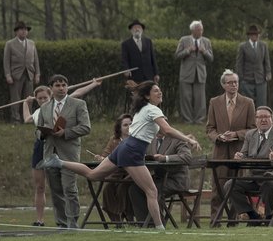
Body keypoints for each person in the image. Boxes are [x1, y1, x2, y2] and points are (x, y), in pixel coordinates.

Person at [38, 81, 202, 231]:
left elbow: (157, 132)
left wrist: (181, 137)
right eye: (156, 91)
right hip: (132, 151)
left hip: (125, 147)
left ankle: (59, 162)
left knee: (93, 174)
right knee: (152, 191)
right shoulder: (152, 109)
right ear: (147, 96)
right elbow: (166, 130)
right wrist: (187, 139)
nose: (160, 93)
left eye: (160, 91)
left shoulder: (142, 110)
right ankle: (160, 229)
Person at [21, 78, 101, 226]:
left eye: (64, 85)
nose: (61, 88)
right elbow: (38, 131)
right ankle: (61, 223)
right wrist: (44, 133)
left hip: (69, 153)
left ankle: (72, 223)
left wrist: (66, 132)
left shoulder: (78, 104)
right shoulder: (44, 108)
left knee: (69, 188)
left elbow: (86, 127)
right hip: (50, 152)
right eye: (57, 85)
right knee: (56, 190)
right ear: (52, 88)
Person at [206, 70, 256, 222]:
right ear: (223, 85)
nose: (233, 85)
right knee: (218, 188)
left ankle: (233, 221)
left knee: (236, 185)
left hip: (239, 151)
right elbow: (210, 129)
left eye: (236, 82)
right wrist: (218, 137)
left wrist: (235, 135)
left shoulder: (248, 103)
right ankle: (215, 221)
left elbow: (253, 129)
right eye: (230, 82)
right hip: (220, 151)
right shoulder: (214, 102)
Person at [226, 106, 273, 224]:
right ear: (255, 120)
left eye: (266, 117)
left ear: (272, 119)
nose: (263, 120)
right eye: (260, 117)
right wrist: (239, 156)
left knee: (268, 182)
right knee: (230, 185)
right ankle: (252, 215)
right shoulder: (250, 135)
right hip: (252, 178)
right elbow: (244, 154)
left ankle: (270, 216)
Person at [128, 130, 193, 226]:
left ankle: (158, 224)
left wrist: (165, 158)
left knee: (155, 189)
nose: (157, 130)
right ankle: (145, 224)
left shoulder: (178, 138)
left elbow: (187, 157)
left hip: (175, 180)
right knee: (134, 188)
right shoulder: (150, 140)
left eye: (159, 127)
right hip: (157, 178)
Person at [93, 113, 135, 223]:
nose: (128, 127)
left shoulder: (137, 139)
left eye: (131, 124)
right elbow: (106, 155)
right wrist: (101, 158)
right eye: (125, 125)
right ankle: (115, 219)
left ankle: (127, 216)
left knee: (123, 187)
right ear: (120, 128)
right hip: (116, 172)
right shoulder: (114, 140)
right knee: (107, 188)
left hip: (132, 172)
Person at [175, 20, 213, 123]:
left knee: (200, 99)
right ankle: (187, 120)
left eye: (201, 29)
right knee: (186, 97)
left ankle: (199, 120)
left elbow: (211, 58)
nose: (201, 31)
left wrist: (204, 51)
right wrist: (188, 50)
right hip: (186, 74)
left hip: (200, 74)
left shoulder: (206, 41)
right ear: (192, 30)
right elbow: (177, 55)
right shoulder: (183, 40)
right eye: (198, 30)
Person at [4, 21, 41, 123]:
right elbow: (6, 61)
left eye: (26, 30)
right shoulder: (10, 44)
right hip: (16, 75)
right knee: (15, 98)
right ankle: (15, 119)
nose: (24, 31)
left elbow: (36, 60)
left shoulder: (31, 43)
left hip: (29, 74)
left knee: (29, 98)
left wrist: (37, 74)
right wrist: (8, 75)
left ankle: (28, 118)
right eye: (22, 29)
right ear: (16, 31)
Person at [235, 24, 272, 107]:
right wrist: (241, 78)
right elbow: (239, 63)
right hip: (247, 79)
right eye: (254, 35)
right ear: (250, 36)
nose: (256, 36)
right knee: (248, 104)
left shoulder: (263, 46)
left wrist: (268, 73)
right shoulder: (243, 47)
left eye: (257, 35)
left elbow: (267, 61)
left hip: (261, 79)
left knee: (262, 103)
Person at [121, 19, 159, 84]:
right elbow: (124, 59)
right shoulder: (125, 44)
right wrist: (126, 69)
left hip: (149, 76)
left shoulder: (148, 42)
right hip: (134, 77)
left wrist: (156, 73)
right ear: (131, 30)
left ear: (142, 30)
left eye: (139, 27)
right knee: (137, 94)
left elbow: (153, 58)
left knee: (148, 93)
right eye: (135, 27)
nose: (137, 29)